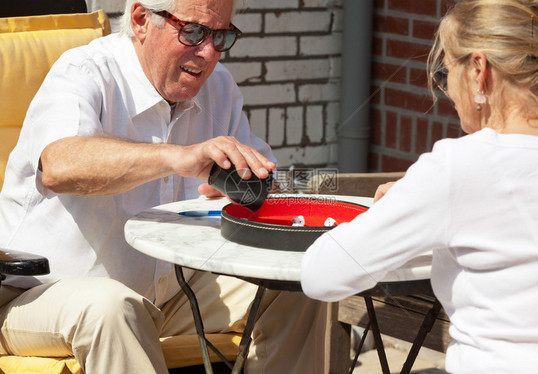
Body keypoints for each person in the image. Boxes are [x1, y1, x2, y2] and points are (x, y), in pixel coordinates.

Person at [0, 0, 327, 373]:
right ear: (141, 20)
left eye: (221, 36)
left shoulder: (218, 86)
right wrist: (175, 156)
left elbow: (263, 181)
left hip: (167, 296)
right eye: (193, 32)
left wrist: (251, 188)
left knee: (299, 280)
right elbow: (60, 167)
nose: (208, 53)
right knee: (112, 308)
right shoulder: (84, 72)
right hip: (32, 297)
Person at [301, 0, 538, 373]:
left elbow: (321, 275)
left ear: (478, 69)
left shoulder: (457, 166)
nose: (447, 92)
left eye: (445, 72)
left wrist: (401, 210)